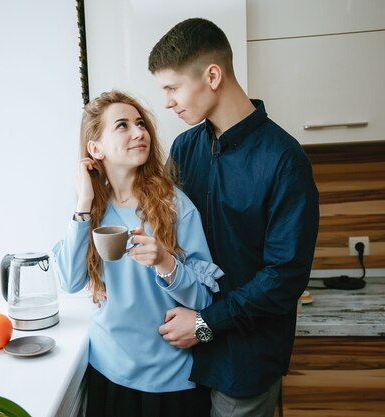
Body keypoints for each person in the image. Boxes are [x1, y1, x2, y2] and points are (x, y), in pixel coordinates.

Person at [147, 18, 320, 417]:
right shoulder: (185, 148)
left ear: (212, 75)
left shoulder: (284, 161)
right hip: (178, 358)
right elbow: (164, 231)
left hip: (243, 363)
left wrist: (205, 323)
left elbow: (284, 278)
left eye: (172, 88)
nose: (168, 102)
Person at [53, 90, 223, 417]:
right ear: (95, 148)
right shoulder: (90, 211)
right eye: (123, 125)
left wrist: (165, 262)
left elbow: (205, 300)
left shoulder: (174, 206)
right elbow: (70, 282)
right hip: (108, 371)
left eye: (140, 123)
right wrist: (83, 202)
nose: (139, 132)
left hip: (172, 380)